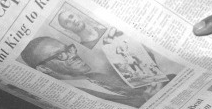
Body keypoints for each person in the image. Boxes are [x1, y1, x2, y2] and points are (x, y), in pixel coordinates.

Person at [20, 36, 168, 108]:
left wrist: (149, 64)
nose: (73, 54)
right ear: (44, 69)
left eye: (68, 48)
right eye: (61, 54)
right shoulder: (68, 100)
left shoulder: (95, 76)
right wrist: (150, 102)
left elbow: (139, 91)